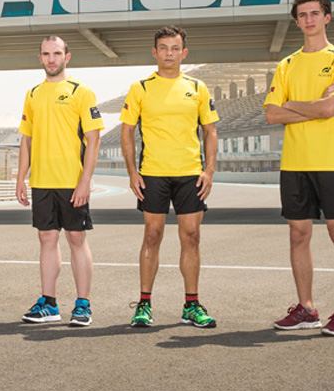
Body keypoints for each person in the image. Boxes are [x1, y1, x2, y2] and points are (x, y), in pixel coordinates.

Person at [264, 0, 334, 336]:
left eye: (314, 13)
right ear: (296, 21)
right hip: (294, 162)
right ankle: (307, 309)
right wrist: (313, 105)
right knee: (298, 234)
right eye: (302, 14)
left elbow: (330, 109)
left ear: (326, 17)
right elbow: (271, 114)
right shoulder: (286, 65)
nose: (309, 19)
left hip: (332, 160)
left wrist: (292, 105)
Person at [120, 26, 219, 329]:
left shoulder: (197, 87)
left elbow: (210, 131)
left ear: (184, 53)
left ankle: (191, 305)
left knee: (191, 236)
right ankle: (144, 305)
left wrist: (209, 170)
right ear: (155, 52)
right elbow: (127, 131)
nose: (169, 53)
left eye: (175, 48)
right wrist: (132, 172)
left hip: (190, 174)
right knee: (152, 235)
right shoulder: (140, 88)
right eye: (163, 48)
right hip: (153, 173)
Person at [16, 36, 103, 326]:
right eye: (46, 54)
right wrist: (21, 178)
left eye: (56, 53)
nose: (51, 59)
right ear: (40, 58)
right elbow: (26, 140)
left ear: (67, 56)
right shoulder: (33, 94)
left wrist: (85, 181)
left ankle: (83, 304)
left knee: (76, 238)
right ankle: (49, 303)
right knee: (46, 238)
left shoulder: (81, 92)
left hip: (71, 179)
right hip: (41, 180)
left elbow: (93, 139)